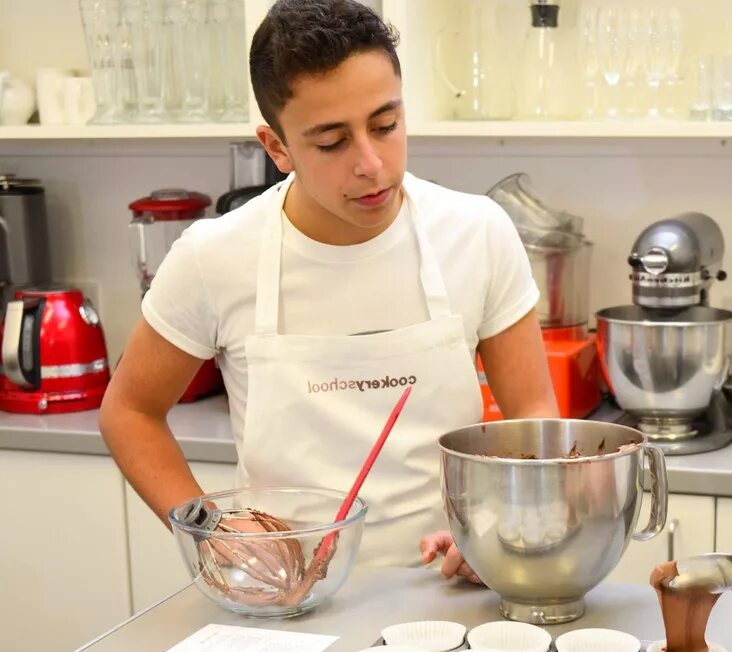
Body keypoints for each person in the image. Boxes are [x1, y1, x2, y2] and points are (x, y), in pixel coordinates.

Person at [99, 0, 557, 574]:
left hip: (454, 592)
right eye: (332, 142)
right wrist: (212, 529)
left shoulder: (477, 232)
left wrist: (497, 523)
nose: (372, 163)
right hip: (284, 599)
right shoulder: (214, 255)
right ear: (277, 147)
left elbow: (533, 412)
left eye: (386, 125)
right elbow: (129, 411)